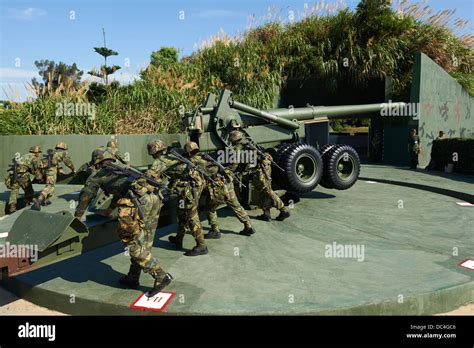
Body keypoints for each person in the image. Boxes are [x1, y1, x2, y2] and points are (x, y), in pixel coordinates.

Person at [74, 150, 172, 297]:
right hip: (154, 199)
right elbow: (121, 189)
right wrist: (110, 210)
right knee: (144, 240)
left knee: (132, 243)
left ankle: (160, 276)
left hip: (136, 203)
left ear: (96, 163)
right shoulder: (125, 167)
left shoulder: (98, 175)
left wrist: (77, 218)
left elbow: (85, 197)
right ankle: (133, 277)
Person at [145, 140, 208, 256]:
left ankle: (201, 245)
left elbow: (149, 176)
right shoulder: (175, 152)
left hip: (188, 189)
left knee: (191, 216)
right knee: (181, 213)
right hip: (190, 186)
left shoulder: (160, 161)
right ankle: (179, 239)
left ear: (153, 152)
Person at [184, 141, 256, 238]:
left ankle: (215, 230)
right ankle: (248, 225)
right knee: (236, 205)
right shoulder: (204, 155)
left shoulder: (194, 160)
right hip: (227, 183)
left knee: (210, 208)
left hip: (218, 187)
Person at [229, 130, 290, 221]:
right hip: (262, 167)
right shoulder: (248, 142)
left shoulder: (238, 147)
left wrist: (229, 171)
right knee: (262, 191)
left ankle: (283, 210)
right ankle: (266, 213)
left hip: (259, 170)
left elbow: (235, 164)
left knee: (267, 190)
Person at [33, 142, 75, 209]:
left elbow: (55, 162)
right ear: (64, 148)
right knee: (49, 185)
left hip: (43, 170)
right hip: (51, 170)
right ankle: (39, 200)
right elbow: (68, 162)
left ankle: (46, 200)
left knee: (51, 185)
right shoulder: (62, 153)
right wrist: (73, 169)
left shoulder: (53, 153)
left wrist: (59, 170)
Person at [4, 146, 43, 213]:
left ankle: (12, 208)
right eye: (39, 152)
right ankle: (27, 205)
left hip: (14, 175)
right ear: (35, 152)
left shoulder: (24, 156)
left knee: (15, 191)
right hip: (23, 175)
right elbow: (35, 170)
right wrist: (39, 178)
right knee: (29, 190)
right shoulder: (34, 158)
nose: (39, 154)